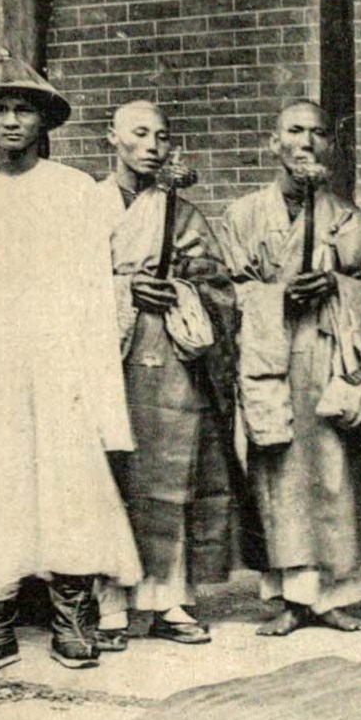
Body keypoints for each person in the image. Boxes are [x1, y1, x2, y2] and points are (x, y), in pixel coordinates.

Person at [0, 53, 142, 671]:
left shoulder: (73, 190)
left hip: (60, 364)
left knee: (69, 485)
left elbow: (94, 299)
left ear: (43, 120)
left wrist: (99, 398)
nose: (12, 121)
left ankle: (74, 616)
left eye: (24, 109)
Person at [219, 99, 361, 637]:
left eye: (318, 133)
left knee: (332, 475)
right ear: (273, 143)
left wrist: (340, 287)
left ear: (332, 145)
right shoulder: (243, 216)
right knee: (277, 476)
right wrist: (275, 297)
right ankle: (287, 595)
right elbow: (225, 291)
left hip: (328, 360)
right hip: (271, 358)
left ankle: (329, 594)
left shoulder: (348, 220)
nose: (306, 142)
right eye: (294, 131)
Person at [91, 100, 242, 649]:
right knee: (109, 475)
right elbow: (64, 282)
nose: (153, 145)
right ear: (113, 138)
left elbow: (221, 288)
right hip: (106, 355)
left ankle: (170, 597)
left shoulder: (184, 213)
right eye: (139, 133)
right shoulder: (88, 205)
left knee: (173, 476)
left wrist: (182, 289)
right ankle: (109, 603)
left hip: (169, 355)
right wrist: (122, 288)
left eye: (162, 135)